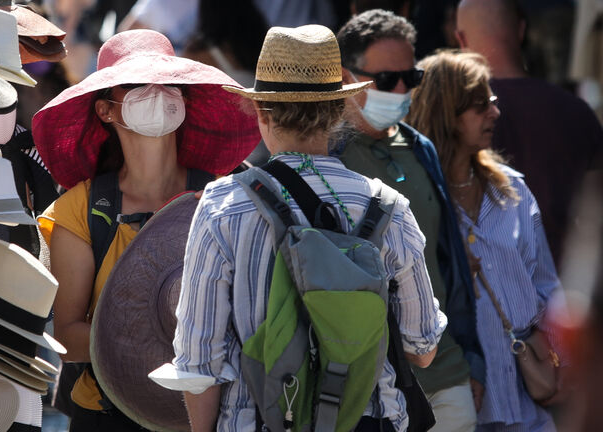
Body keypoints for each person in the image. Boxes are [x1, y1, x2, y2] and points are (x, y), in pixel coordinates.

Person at [164, 24, 445, 431]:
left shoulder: (223, 206)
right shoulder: (389, 208)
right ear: (339, 111)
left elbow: (198, 359)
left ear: (261, 111)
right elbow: (422, 348)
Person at [31, 29, 259, 431]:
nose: (157, 93)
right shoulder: (80, 210)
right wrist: (168, 341)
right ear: (106, 111)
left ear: (183, 101)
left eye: (169, 84)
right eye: (138, 85)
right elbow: (66, 338)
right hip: (109, 415)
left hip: (218, 411)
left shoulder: (226, 196)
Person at [334, 9, 482, 431]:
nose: (400, 90)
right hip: (374, 385)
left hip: (447, 374)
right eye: (386, 80)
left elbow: (447, 261)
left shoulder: (421, 148)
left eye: (411, 78)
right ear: (347, 77)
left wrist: (471, 360)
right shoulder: (328, 157)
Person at [408, 50, 561, 432]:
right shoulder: (417, 200)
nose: (494, 113)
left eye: (491, 102)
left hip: (528, 397)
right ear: (446, 112)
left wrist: (563, 364)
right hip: (459, 403)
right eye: (480, 105)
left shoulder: (512, 191)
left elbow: (547, 286)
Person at [456, 0, 603, 266]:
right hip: (567, 286)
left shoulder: (455, 117)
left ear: (461, 40)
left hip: (488, 288)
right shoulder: (577, 111)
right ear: (521, 30)